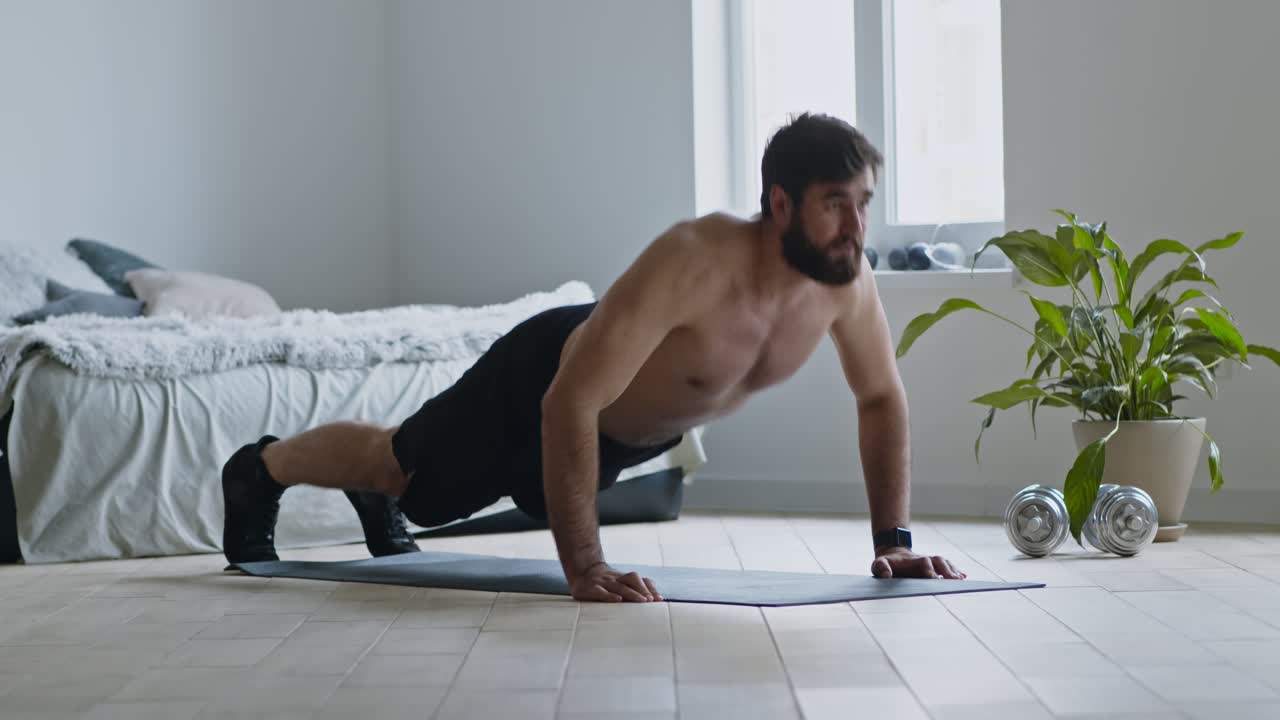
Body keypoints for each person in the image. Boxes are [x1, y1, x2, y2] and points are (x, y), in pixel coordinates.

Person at [221, 112, 966, 603]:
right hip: (545, 377)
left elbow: (880, 398)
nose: (856, 224)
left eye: (865, 201)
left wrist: (893, 544)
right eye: (836, 202)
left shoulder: (845, 282)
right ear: (779, 204)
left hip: (616, 433)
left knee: (431, 487)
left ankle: (375, 495)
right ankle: (262, 469)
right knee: (400, 469)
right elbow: (569, 400)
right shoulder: (692, 260)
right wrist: (586, 567)